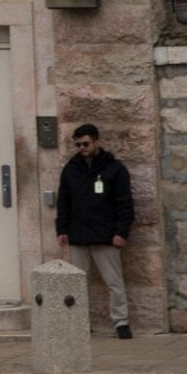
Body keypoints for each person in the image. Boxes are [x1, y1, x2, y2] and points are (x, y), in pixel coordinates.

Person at [56, 122, 134, 338]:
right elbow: (64, 201)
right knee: (78, 283)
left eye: (86, 143)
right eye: (78, 144)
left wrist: (121, 232)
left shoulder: (114, 169)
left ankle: (121, 322)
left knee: (114, 282)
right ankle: (80, 321)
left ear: (96, 142)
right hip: (79, 234)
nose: (82, 148)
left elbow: (124, 203)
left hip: (105, 235)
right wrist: (62, 229)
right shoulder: (71, 169)